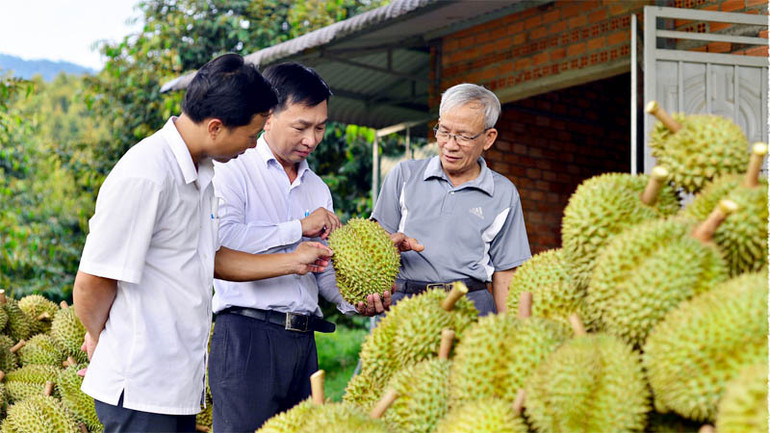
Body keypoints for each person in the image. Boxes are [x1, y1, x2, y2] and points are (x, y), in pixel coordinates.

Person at [73, 54, 334, 433]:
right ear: (215, 126)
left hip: (177, 385)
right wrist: (101, 338)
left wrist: (295, 262)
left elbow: (211, 258)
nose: (251, 144)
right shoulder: (147, 173)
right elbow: (93, 281)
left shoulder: (202, 173)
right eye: (249, 135)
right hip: (139, 384)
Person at [208, 62, 415, 432]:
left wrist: (356, 301)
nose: (312, 139)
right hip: (246, 336)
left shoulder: (317, 188)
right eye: (301, 127)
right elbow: (221, 244)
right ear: (268, 117)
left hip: (303, 341)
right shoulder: (233, 169)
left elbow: (321, 271)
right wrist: (298, 228)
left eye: (320, 127)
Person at [372, 83, 531, 316]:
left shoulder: (504, 193)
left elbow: (506, 274)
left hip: (470, 307)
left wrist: (514, 334)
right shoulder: (404, 175)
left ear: (488, 138)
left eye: (464, 136)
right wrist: (387, 246)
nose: (450, 145)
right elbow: (374, 242)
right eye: (444, 131)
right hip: (405, 305)